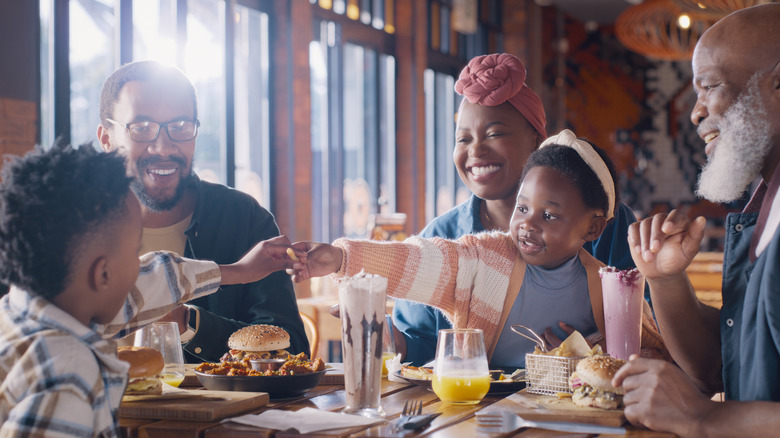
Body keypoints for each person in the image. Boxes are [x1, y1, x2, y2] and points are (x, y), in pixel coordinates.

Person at [290, 130, 667, 369]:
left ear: (593, 227)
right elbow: (418, 260)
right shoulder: (485, 259)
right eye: (522, 208)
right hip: (475, 413)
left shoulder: (611, 289)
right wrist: (343, 258)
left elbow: (656, 354)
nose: (528, 224)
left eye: (550, 216)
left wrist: (592, 356)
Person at [0, 143, 297, 436]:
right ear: (103, 273)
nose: (138, 267)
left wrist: (239, 271)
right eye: (134, 253)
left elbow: (153, 282)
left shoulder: (22, 314)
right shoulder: (68, 371)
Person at [393, 53, 640, 366]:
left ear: (537, 140)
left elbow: (642, 328)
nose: (476, 150)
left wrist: (587, 351)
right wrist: (387, 337)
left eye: (495, 134)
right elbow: (420, 347)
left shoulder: (608, 226)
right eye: (463, 138)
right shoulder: (442, 236)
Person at [610, 4, 780, 437]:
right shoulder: (765, 202)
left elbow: (712, 403)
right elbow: (718, 369)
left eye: (711, 87)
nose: (695, 113)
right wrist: (665, 280)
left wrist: (706, 418)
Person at [96, 60, 309, 362]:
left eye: (181, 127)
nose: (164, 147)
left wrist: (187, 324)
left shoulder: (244, 219)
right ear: (106, 138)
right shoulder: (67, 227)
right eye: (142, 129)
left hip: (224, 411)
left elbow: (292, 353)